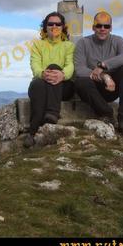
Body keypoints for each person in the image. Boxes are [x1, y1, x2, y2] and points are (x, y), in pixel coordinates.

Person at [74, 11, 123, 135]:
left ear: (111, 28)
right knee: (80, 82)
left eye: (106, 26)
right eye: (99, 26)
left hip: (112, 89)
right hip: (93, 89)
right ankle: (106, 114)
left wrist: (103, 66)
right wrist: (104, 76)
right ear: (93, 27)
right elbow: (79, 69)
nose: (102, 29)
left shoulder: (118, 41)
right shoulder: (83, 43)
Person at [24, 12, 75, 148]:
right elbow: (35, 65)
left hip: (64, 86)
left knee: (54, 67)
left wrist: (62, 75)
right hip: (42, 83)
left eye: (58, 24)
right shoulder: (37, 45)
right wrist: (42, 74)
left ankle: (35, 129)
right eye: (50, 24)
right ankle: (35, 130)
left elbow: (70, 65)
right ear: (45, 27)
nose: (54, 26)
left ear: (63, 27)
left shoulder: (69, 46)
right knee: (38, 85)